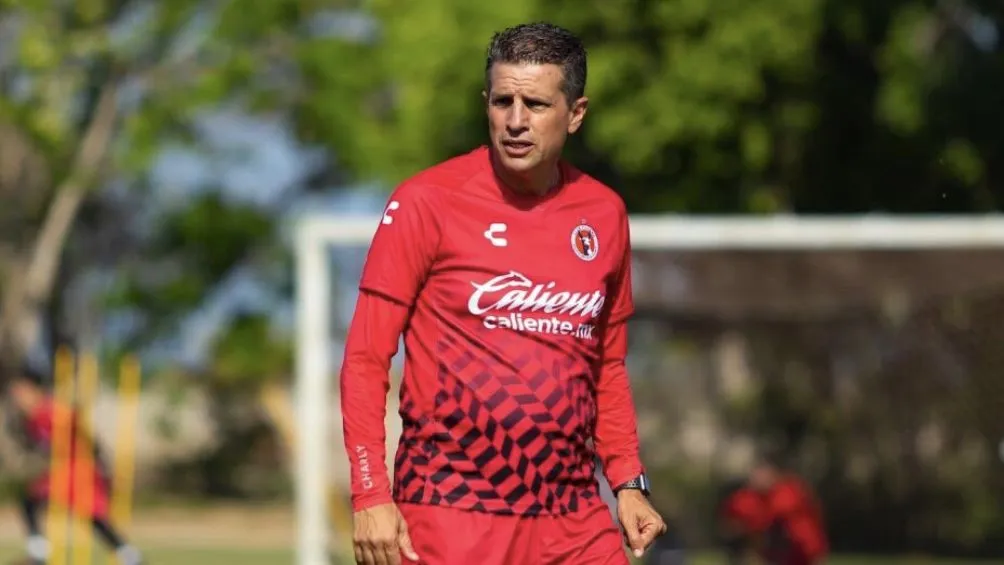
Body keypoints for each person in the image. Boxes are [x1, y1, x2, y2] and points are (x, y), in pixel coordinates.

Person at [340, 21, 666, 565]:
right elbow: (365, 358)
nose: (515, 121)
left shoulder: (604, 213)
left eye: (535, 104)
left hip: (572, 515)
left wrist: (628, 481)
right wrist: (371, 492)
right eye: (502, 101)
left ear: (576, 114)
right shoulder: (427, 201)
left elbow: (607, 365)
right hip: (451, 510)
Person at [4, 366, 144, 565]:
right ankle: (39, 554)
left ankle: (132, 558)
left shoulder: (52, 410)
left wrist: (103, 464)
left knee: (94, 518)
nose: (17, 399)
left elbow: (83, 432)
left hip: (79, 470)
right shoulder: (31, 419)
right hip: (63, 470)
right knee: (33, 502)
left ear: (33, 390)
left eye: (20, 392)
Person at [718, 454, 828, 565]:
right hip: (780, 552)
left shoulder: (788, 492)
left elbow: (775, 519)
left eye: (762, 473)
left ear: (773, 473)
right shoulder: (754, 497)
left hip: (803, 549)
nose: (756, 478)